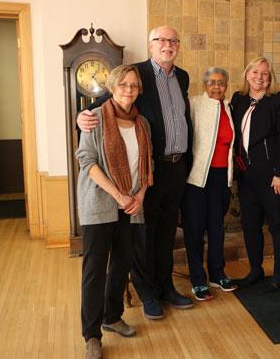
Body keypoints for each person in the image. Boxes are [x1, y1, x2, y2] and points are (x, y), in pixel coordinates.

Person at [77, 26, 194, 320]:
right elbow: (110, 95)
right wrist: (85, 113)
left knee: (167, 232)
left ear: (178, 46)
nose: (167, 45)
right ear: (151, 45)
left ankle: (166, 286)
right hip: (147, 169)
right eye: (161, 41)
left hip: (176, 167)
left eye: (173, 41)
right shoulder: (137, 74)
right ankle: (147, 292)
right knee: (142, 235)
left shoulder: (182, 76)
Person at [75, 64, 153, 358]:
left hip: (131, 204)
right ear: (112, 87)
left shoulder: (142, 124)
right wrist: (119, 195)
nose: (129, 90)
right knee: (94, 270)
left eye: (133, 85)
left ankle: (112, 316)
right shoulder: (94, 119)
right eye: (123, 85)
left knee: (122, 264)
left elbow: (148, 166)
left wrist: (140, 196)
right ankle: (91, 335)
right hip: (101, 202)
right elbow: (87, 161)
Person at [231, 57, 280, 292]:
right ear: (247, 74)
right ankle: (255, 269)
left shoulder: (279, 101)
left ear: (271, 78)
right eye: (255, 72)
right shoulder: (238, 100)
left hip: (273, 175)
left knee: (278, 224)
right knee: (250, 224)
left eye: (265, 74)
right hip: (246, 175)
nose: (260, 77)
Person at [181, 67, 237, 301]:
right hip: (196, 178)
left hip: (221, 177)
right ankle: (197, 279)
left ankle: (217, 273)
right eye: (212, 82)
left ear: (226, 86)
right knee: (194, 231)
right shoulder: (194, 104)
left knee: (216, 229)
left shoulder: (229, 108)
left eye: (221, 83)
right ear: (204, 85)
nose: (217, 87)